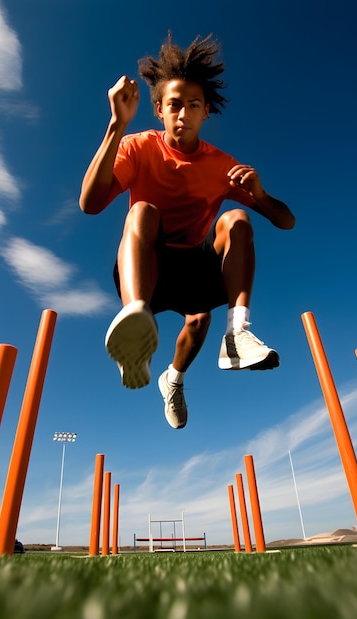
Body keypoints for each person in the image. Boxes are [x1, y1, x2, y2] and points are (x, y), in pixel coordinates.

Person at [79, 33, 295, 430]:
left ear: (206, 112)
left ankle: (232, 337)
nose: (183, 114)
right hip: (149, 263)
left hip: (194, 266)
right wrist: (115, 126)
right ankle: (136, 316)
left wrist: (260, 196)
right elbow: (90, 204)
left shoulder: (220, 164)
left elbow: (286, 220)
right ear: (159, 109)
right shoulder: (139, 145)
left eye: (193, 106)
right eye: (174, 105)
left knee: (235, 224)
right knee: (143, 210)